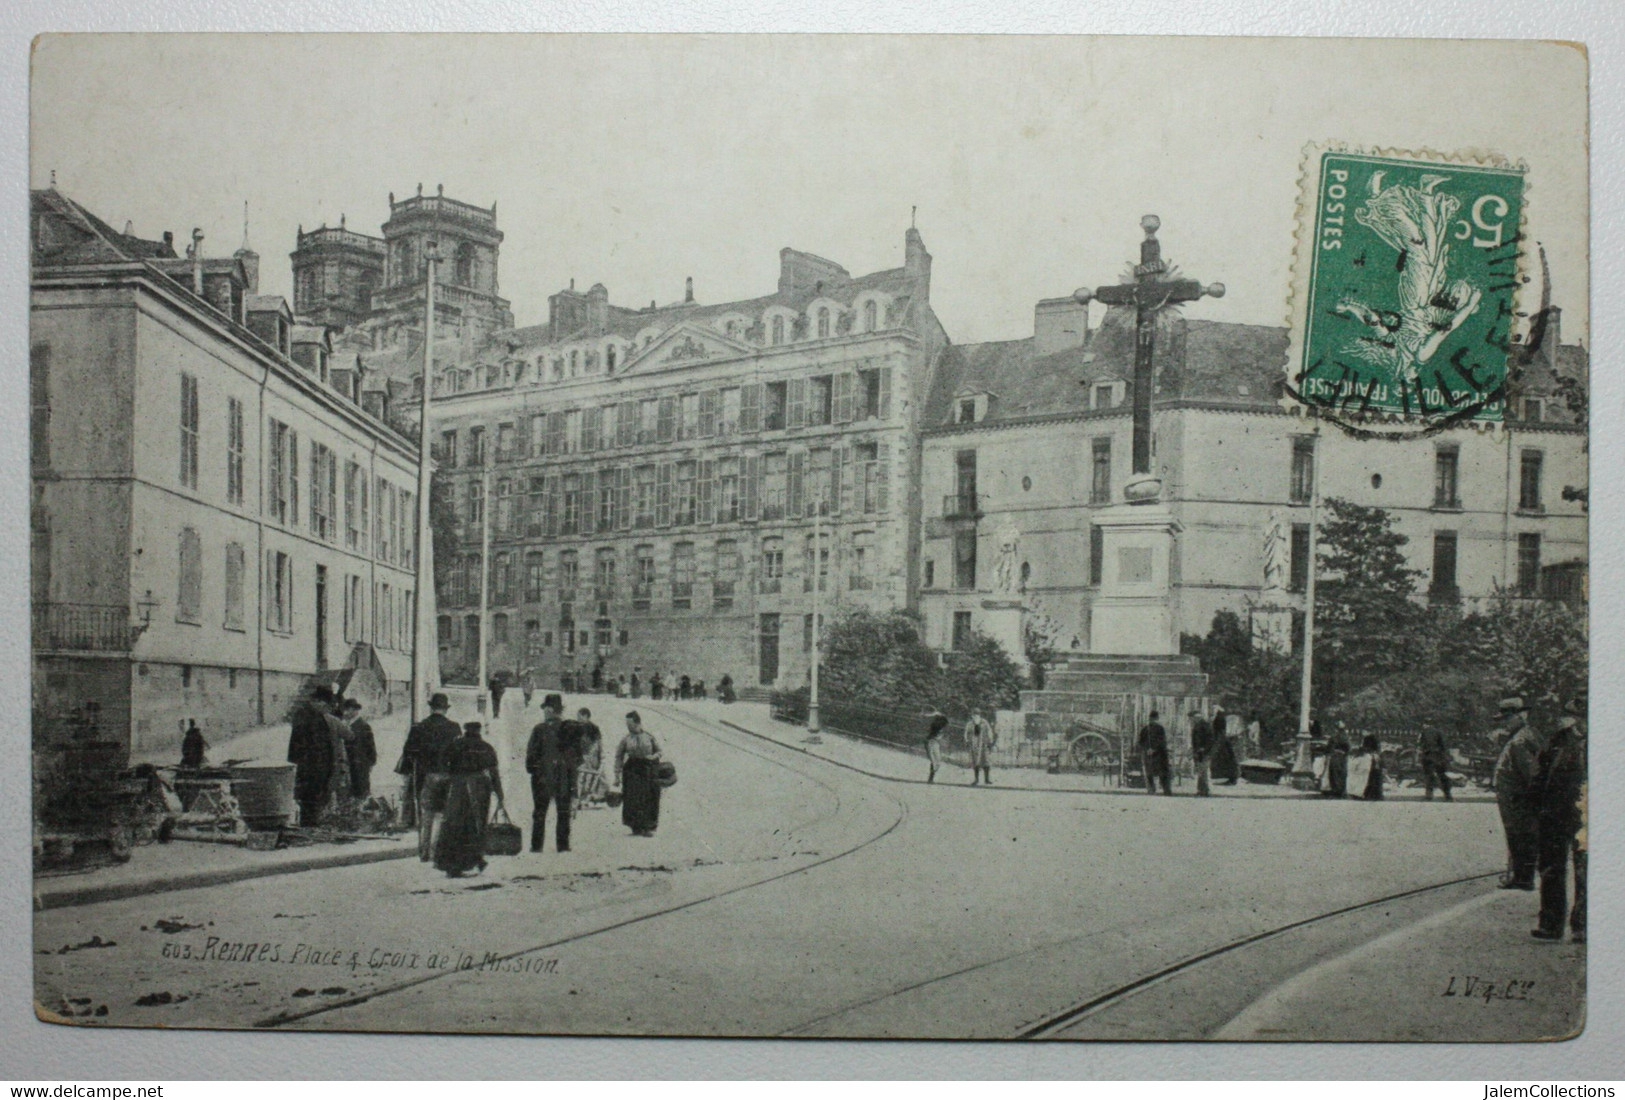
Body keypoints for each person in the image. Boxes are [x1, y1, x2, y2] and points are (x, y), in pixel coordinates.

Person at [1533, 696, 1586, 941]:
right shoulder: (1559, 740)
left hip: (1589, 816)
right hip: (1556, 812)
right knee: (1552, 867)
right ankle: (1551, 924)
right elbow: (1540, 773)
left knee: (1586, 870)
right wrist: (1537, 805)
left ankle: (1582, 925)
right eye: (1581, 717)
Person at [433, 721, 505, 878]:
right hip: (479, 788)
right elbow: (494, 772)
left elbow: (442, 766)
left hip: (457, 787)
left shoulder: (455, 745)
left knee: (454, 825)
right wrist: (500, 795)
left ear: (465, 730)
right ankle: (475, 859)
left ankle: (452, 865)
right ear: (479, 731)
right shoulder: (486, 747)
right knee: (476, 825)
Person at [1493, 696, 1545, 890]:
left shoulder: (1519, 741)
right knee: (1520, 837)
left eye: (1507, 719)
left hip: (1518, 799)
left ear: (1519, 716)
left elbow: (1531, 773)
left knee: (1519, 837)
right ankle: (1522, 876)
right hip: (1517, 798)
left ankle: (1523, 878)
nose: (1504, 723)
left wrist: (1529, 798)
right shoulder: (1526, 734)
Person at [401, 693, 461, 860]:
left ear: (431, 707)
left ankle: (424, 852)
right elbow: (458, 755)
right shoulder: (454, 728)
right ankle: (437, 851)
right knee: (443, 815)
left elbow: (408, 754)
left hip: (425, 776)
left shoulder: (419, 727)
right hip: (447, 776)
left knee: (426, 815)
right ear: (445, 709)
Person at [526, 693, 583, 853]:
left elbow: (530, 757)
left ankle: (536, 847)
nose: (544, 712)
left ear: (550, 709)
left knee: (539, 813)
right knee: (563, 812)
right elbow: (578, 757)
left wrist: (535, 771)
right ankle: (563, 846)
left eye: (545, 709)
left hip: (542, 779)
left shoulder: (539, 730)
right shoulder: (571, 729)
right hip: (564, 778)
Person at [287, 685, 338, 826]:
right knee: (309, 805)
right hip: (309, 772)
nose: (327, 710)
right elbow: (301, 748)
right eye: (326, 706)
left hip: (318, 771)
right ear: (318, 702)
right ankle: (308, 830)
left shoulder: (317, 716)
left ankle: (312, 827)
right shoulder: (304, 716)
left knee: (315, 805)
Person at [615, 710, 663, 836]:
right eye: (627, 724)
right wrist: (617, 774)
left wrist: (653, 757)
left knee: (649, 797)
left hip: (647, 768)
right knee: (632, 797)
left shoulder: (649, 737)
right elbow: (619, 756)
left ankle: (647, 826)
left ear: (637, 723)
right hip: (631, 768)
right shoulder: (626, 739)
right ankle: (635, 826)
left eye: (630, 724)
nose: (628, 726)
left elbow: (659, 751)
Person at [343, 698, 378, 799]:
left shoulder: (363, 726)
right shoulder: (347, 725)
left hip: (360, 763)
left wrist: (371, 762)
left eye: (348, 710)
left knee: (361, 790)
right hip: (350, 763)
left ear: (354, 711)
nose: (346, 712)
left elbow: (371, 746)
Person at [574, 707, 607, 803]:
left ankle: (588, 796)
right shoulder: (577, 727)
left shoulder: (593, 728)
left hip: (591, 755)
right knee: (581, 777)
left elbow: (598, 743)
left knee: (589, 777)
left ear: (586, 716)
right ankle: (581, 797)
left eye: (579, 716)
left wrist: (599, 755)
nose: (578, 718)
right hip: (582, 755)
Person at [1137, 710, 1172, 795]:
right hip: (1159, 754)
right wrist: (1153, 749)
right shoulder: (1160, 728)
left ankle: (1152, 789)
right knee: (1162, 773)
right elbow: (1162, 741)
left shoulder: (1145, 729)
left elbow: (1140, 742)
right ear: (1157, 718)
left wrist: (1147, 749)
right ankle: (1166, 790)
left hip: (1151, 754)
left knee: (1150, 772)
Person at [1418, 724, 1454, 801]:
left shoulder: (1424, 732)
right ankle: (1448, 795)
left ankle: (1429, 795)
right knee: (1442, 775)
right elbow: (1443, 745)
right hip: (1439, 757)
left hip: (1428, 756)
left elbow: (1421, 744)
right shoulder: (1439, 732)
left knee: (1429, 776)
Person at [965, 708, 996, 786]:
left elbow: (989, 731)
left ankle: (987, 779)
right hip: (974, 744)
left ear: (979, 715)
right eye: (974, 714)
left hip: (983, 744)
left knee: (986, 761)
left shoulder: (984, 722)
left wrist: (990, 740)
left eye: (977, 714)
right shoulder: (970, 724)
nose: (975, 716)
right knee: (976, 762)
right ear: (972, 715)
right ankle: (976, 779)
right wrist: (967, 740)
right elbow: (966, 732)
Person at [1348, 734, 1385, 800]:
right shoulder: (1376, 757)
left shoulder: (1360, 756)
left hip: (1359, 788)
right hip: (1372, 789)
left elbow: (1351, 769)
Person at [1210, 706, 1239, 785]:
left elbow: (1219, 730)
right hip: (1223, 739)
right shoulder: (1222, 718)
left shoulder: (1219, 718)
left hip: (1221, 740)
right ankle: (1232, 778)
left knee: (1225, 759)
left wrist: (1217, 740)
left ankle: (1231, 778)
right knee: (1228, 759)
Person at [1188, 709, 1213, 797]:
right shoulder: (1198, 725)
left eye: (1191, 719)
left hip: (1204, 752)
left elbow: (1210, 739)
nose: (1191, 721)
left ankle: (1204, 790)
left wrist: (1203, 748)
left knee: (1203, 771)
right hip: (1199, 752)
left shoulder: (1204, 725)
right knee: (1201, 771)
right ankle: (1201, 790)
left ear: (1196, 717)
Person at [1319, 729, 1350, 798]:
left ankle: (1335, 791)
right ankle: (1342, 791)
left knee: (1334, 774)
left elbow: (1329, 749)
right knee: (1342, 774)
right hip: (1343, 757)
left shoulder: (1333, 738)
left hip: (1335, 756)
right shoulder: (1346, 738)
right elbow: (1348, 748)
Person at [924, 710, 947, 784]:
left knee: (938, 762)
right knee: (934, 762)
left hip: (935, 743)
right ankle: (930, 779)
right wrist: (938, 714)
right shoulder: (935, 725)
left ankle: (931, 778)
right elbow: (945, 722)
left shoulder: (940, 724)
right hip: (930, 742)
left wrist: (938, 714)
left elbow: (946, 722)